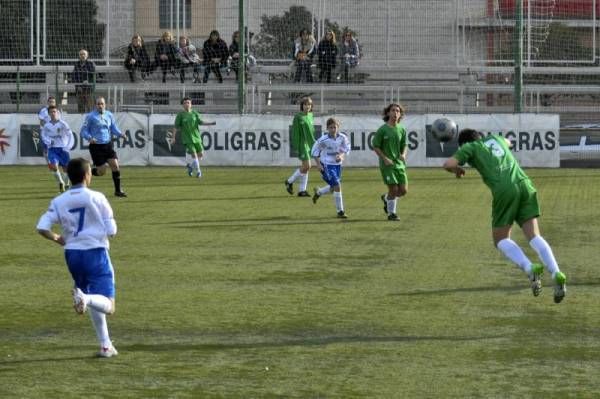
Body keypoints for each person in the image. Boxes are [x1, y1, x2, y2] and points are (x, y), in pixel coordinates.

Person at [443, 128, 567, 303]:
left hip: (504, 189)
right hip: (524, 183)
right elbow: (509, 142)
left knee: (500, 239)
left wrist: (457, 170)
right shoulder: (495, 138)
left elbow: (448, 164)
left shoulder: (469, 147)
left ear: (464, 144)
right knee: (534, 235)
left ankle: (529, 267)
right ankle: (556, 272)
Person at [36, 157, 119, 358]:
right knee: (108, 304)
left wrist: (58, 238)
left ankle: (105, 345)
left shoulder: (59, 200)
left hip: (72, 255)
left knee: (91, 296)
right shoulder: (97, 197)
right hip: (96, 252)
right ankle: (85, 298)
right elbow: (112, 230)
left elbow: (41, 227)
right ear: (87, 175)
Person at [80, 97, 127, 197]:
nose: (100, 106)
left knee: (115, 166)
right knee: (102, 171)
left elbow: (113, 128)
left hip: (108, 145)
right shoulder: (90, 116)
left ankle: (118, 191)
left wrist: (120, 134)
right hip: (96, 147)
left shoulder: (109, 115)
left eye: (102, 104)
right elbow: (83, 131)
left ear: (105, 104)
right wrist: (89, 138)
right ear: (95, 105)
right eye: (98, 104)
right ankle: (87, 172)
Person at [372, 103, 408, 221]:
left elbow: (405, 145)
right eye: (393, 110)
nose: (395, 113)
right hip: (387, 165)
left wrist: (403, 154)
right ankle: (391, 214)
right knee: (393, 189)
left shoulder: (402, 129)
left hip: (399, 164)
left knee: (403, 191)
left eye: (398, 111)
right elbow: (376, 146)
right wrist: (385, 158)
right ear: (388, 113)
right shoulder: (382, 130)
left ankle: (386, 198)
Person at [311, 117, 350, 218]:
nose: (333, 129)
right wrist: (318, 164)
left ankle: (319, 192)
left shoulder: (342, 137)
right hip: (326, 165)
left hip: (337, 165)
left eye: (335, 127)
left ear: (338, 127)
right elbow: (314, 152)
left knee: (333, 187)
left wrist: (340, 156)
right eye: (331, 127)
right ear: (327, 128)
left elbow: (346, 149)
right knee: (337, 185)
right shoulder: (323, 140)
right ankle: (340, 211)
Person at [173, 97, 216, 178]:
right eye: (185, 103)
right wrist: (173, 137)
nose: (187, 104)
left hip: (197, 137)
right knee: (194, 155)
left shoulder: (195, 113)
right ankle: (199, 172)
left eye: (188, 102)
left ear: (191, 104)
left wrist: (210, 123)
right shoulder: (180, 115)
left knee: (201, 154)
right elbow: (175, 127)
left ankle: (191, 167)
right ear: (183, 105)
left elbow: (200, 122)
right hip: (187, 139)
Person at [284, 96, 315, 197]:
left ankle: (302, 190)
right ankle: (289, 181)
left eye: (309, 104)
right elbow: (295, 133)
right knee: (307, 166)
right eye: (305, 104)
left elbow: (311, 131)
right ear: (302, 106)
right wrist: (296, 146)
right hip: (301, 144)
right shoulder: (298, 117)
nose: (307, 106)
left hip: (308, 144)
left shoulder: (310, 116)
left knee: (306, 168)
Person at [41, 105, 74, 193]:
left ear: (57, 112)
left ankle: (66, 184)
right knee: (54, 167)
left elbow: (70, 135)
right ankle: (61, 183)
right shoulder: (46, 126)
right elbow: (43, 136)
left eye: (54, 111)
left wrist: (68, 147)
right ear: (48, 114)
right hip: (52, 149)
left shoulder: (63, 124)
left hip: (63, 149)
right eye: (51, 112)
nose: (53, 113)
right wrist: (48, 141)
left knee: (66, 169)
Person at [72, 49, 96, 113]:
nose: (82, 55)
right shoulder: (76, 64)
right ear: (79, 56)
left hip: (89, 89)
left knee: (90, 107)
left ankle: (90, 121)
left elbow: (95, 76)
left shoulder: (91, 64)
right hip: (79, 90)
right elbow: (74, 76)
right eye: (81, 54)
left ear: (87, 55)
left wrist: (88, 81)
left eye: (84, 54)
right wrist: (78, 85)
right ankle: (81, 121)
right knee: (80, 108)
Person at [38, 96, 61, 161]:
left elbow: (59, 122)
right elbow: (41, 121)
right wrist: (47, 128)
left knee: (55, 147)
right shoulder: (43, 111)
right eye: (50, 102)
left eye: (53, 102)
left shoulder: (57, 111)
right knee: (46, 148)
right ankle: (48, 163)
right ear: (48, 102)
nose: (52, 103)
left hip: (54, 132)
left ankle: (54, 161)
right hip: (46, 132)